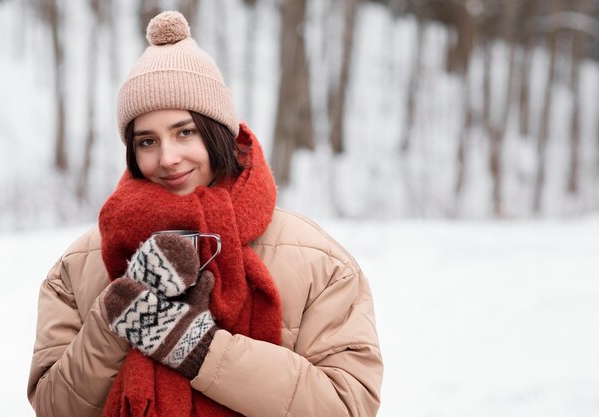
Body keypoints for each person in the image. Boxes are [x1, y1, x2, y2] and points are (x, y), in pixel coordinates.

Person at [27, 10, 383, 417]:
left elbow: (347, 405)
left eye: (185, 132)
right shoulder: (79, 266)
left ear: (217, 132)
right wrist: (117, 316)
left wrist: (196, 348)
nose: (168, 158)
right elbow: (54, 408)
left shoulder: (319, 262)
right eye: (147, 141)